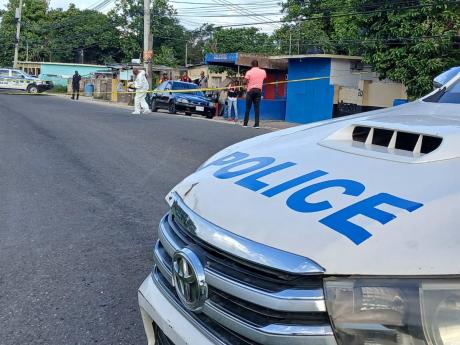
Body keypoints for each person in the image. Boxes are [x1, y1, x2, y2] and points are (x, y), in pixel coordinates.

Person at [243, 60, 266, 128]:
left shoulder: (249, 72)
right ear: (258, 65)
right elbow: (264, 77)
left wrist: (247, 82)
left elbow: (244, 81)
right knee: (257, 109)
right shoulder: (263, 71)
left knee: (248, 108)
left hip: (250, 91)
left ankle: (245, 124)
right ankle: (256, 124)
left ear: (251, 65)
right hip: (258, 91)